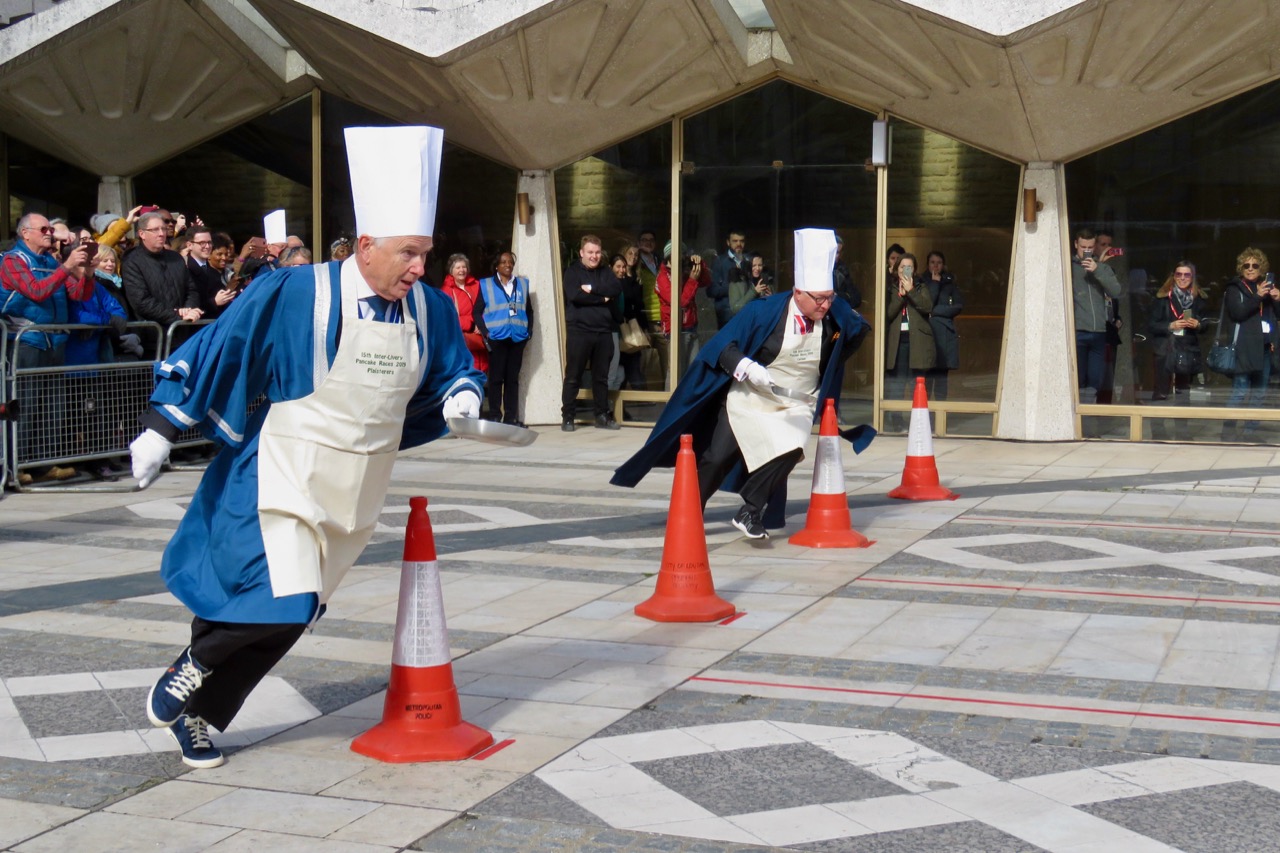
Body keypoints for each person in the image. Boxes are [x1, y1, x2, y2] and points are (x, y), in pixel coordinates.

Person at [129, 124, 485, 770]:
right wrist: (161, 424)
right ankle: (196, 661)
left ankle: (205, 716)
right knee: (276, 597)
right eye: (408, 252)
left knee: (294, 617)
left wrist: (463, 393)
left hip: (356, 487)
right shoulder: (299, 290)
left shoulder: (428, 308)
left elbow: (456, 365)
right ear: (368, 245)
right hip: (284, 469)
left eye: (426, 253)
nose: (419, 267)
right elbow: (224, 341)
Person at [613, 229, 870, 539]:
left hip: (797, 401)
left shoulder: (833, 316)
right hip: (751, 394)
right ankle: (688, 509)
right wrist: (746, 366)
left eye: (829, 298)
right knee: (717, 457)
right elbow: (723, 345)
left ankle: (750, 509)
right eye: (818, 298)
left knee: (791, 449)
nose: (825, 305)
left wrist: (834, 358)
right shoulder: (763, 311)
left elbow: (857, 331)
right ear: (798, 291)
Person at [1, 212, 94, 484]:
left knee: (52, 406)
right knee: (25, 405)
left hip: (54, 341)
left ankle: (44, 463)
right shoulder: (12, 261)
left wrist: (87, 273)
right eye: (43, 229)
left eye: (50, 230)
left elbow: (77, 294)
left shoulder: (51, 262)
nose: (49, 234)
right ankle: (16, 464)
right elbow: (36, 290)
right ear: (25, 233)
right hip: (26, 341)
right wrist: (66, 267)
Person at [561, 234, 622, 431]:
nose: (594, 256)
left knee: (601, 377)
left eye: (597, 252)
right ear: (581, 253)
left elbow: (615, 288)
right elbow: (575, 296)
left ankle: (602, 416)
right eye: (590, 252)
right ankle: (568, 416)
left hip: (603, 332)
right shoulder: (572, 272)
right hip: (579, 332)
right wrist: (601, 298)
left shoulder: (606, 272)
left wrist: (592, 289)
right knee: (573, 375)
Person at [1221, 248, 1279, 442]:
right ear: (1241, 268)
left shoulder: (1266, 287)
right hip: (1244, 347)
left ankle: (1249, 434)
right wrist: (1258, 297)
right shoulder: (1234, 288)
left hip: (1263, 347)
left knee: (1259, 394)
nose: (1251, 268)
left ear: (1261, 268)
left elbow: (1276, 316)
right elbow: (1238, 313)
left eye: (1255, 265)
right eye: (1247, 265)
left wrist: (1277, 299)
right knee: (1240, 391)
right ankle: (1228, 433)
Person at [1148, 262, 1205, 441]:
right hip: (1166, 347)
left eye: (1186, 275)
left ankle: (1182, 431)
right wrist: (1169, 325)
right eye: (1179, 274)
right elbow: (1150, 325)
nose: (1182, 278)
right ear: (1173, 276)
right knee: (1161, 390)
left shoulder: (1198, 298)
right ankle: (1157, 431)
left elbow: (1207, 323)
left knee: (1183, 391)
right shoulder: (1162, 297)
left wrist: (1199, 324)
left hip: (1186, 346)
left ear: (1192, 277)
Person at [475, 251, 531, 425]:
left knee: (512, 379)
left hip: (517, 337)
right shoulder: (486, 285)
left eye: (511, 262)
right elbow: (477, 311)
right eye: (504, 262)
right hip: (497, 337)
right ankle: (494, 415)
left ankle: (510, 416)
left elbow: (529, 310)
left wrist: (530, 332)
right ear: (497, 266)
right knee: (496, 378)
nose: (508, 265)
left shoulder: (522, 283)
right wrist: (485, 332)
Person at [123, 211, 203, 327]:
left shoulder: (176, 258)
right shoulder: (132, 262)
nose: (161, 234)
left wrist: (188, 309)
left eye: (163, 229)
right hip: (153, 333)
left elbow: (191, 290)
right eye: (155, 230)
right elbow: (141, 301)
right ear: (142, 234)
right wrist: (176, 315)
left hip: (182, 329)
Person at [1070, 227, 1121, 401]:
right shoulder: (1069, 268)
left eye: (1090, 247)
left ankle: (1089, 416)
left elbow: (1115, 291)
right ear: (1076, 244)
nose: (1086, 251)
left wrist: (1097, 269)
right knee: (1078, 380)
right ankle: (1079, 419)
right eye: (1083, 247)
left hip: (1098, 331)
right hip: (1077, 331)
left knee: (1095, 382)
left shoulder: (1102, 268)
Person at [884, 252, 935, 422]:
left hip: (917, 341)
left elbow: (927, 307)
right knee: (898, 382)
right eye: (902, 267)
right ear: (896, 269)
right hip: (898, 341)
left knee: (917, 382)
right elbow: (888, 314)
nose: (905, 270)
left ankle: (919, 420)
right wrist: (900, 296)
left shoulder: (921, 286)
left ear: (914, 270)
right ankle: (896, 421)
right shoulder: (891, 287)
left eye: (909, 267)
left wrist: (911, 291)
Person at [657, 242, 709, 381]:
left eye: (683, 254)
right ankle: (669, 402)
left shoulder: (683, 270)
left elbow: (706, 281)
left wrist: (700, 265)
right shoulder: (663, 277)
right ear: (669, 256)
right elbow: (679, 302)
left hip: (691, 326)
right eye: (677, 254)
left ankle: (689, 401)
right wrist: (692, 280)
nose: (681, 258)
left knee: (694, 370)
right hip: (675, 329)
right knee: (675, 371)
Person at [922, 251, 962, 401]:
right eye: (932, 262)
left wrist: (935, 312)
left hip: (944, 335)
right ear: (927, 264)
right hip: (928, 333)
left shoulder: (950, 283)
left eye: (939, 262)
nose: (936, 265)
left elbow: (958, 305)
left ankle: (939, 418)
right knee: (927, 380)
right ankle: (927, 418)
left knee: (941, 382)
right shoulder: (922, 281)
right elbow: (927, 304)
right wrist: (935, 283)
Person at [441, 253, 487, 373]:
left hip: (480, 337)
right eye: (458, 267)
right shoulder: (446, 291)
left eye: (464, 267)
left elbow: (488, 307)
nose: (462, 270)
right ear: (451, 271)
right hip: (462, 339)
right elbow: (448, 319)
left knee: (483, 373)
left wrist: (481, 323)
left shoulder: (477, 285)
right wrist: (472, 324)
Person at [611, 252, 646, 392]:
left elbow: (635, 303)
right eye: (618, 266)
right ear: (610, 267)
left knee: (629, 368)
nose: (621, 270)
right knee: (616, 373)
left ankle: (637, 400)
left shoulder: (627, 282)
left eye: (623, 267)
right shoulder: (609, 284)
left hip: (627, 330)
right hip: (614, 331)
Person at [635, 229, 666, 389]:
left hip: (661, 315)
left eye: (651, 240)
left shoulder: (660, 261)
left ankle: (664, 392)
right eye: (644, 240)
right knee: (644, 359)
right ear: (639, 243)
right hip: (644, 315)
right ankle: (644, 394)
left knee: (665, 358)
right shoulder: (636, 263)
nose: (648, 243)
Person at [708, 230, 748, 327]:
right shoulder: (720, 262)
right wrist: (733, 287)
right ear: (728, 242)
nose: (739, 244)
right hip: (727, 317)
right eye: (735, 241)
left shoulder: (748, 261)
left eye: (741, 241)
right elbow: (711, 290)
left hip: (746, 314)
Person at [833, 236, 861, 310]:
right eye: (833, 252)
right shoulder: (818, 271)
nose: (835, 256)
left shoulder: (843, 270)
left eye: (838, 252)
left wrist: (839, 296)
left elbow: (856, 299)